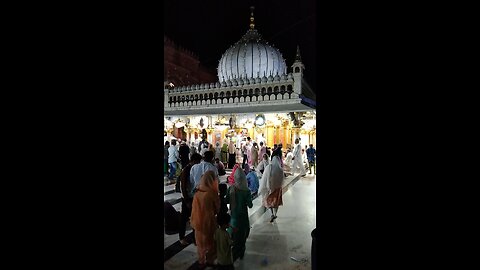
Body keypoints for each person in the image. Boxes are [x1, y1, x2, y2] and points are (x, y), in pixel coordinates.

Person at [191, 170, 220, 268]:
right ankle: (210, 260)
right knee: (211, 243)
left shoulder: (197, 192)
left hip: (197, 222)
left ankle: (201, 260)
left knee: (200, 243)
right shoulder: (211, 193)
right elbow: (217, 209)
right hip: (209, 222)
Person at [226, 168, 253, 261]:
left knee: (234, 235)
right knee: (242, 236)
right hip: (243, 218)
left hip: (233, 218)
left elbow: (226, 200)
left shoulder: (231, 188)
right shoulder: (246, 190)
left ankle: (233, 253)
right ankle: (241, 252)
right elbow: (250, 205)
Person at [178, 153, 202, 245]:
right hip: (187, 197)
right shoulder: (186, 170)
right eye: (198, 161)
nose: (198, 163)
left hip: (192, 196)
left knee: (194, 217)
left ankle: (194, 238)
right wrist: (187, 200)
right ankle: (181, 237)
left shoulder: (192, 169)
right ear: (193, 161)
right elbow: (183, 186)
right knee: (184, 218)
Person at [259, 156, 284, 223]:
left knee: (269, 202)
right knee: (276, 203)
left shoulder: (269, 167)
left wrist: (263, 187)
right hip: (277, 190)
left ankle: (272, 213)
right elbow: (282, 180)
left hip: (269, 188)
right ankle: (275, 214)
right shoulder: (281, 170)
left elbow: (265, 177)